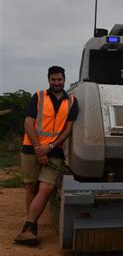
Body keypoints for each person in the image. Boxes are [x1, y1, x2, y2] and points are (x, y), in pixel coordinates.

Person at [14, 66, 78, 246]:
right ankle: (31, 227)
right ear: (48, 80)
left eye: (59, 80)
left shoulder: (72, 101)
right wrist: (38, 149)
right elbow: (28, 124)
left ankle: (29, 227)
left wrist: (49, 148)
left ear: (64, 80)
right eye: (53, 80)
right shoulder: (39, 96)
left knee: (47, 188)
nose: (56, 83)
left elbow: (68, 129)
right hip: (31, 148)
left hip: (55, 151)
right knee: (32, 187)